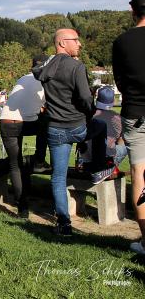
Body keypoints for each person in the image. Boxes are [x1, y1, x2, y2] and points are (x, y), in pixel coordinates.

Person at [33, 29, 109, 236]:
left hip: (55, 129)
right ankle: (98, 169)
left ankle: (64, 224)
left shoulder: (45, 68)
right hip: (77, 126)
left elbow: (39, 69)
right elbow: (85, 98)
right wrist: (90, 112)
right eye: (75, 40)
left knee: (58, 177)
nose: (80, 44)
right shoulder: (76, 67)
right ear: (62, 43)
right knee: (101, 127)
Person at [113, 0, 145, 255]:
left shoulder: (122, 42)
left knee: (139, 174)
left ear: (132, 9)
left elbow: (120, 82)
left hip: (135, 113)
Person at [0, 55, 49, 218]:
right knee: (48, 122)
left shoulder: (22, 78)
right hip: (26, 122)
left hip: (6, 120)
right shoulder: (47, 80)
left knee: (15, 165)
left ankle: (22, 209)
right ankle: (39, 159)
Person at [77, 86, 127, 167]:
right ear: (113, 101)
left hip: (85, 155)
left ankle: (82, 161)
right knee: (127, 142)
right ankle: (111, 165)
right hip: (105, 156)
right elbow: (120, 140)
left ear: (98, 99)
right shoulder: (117, 118)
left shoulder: (87, 115)